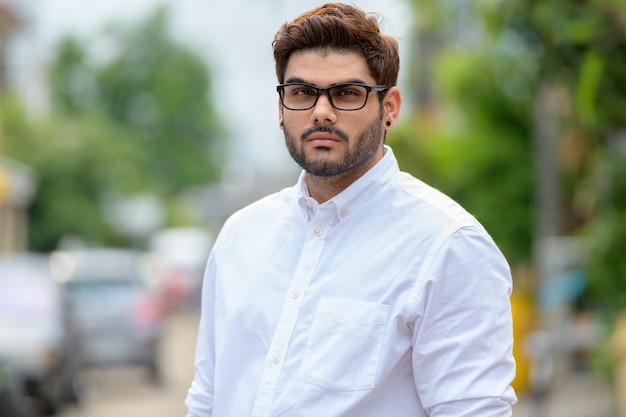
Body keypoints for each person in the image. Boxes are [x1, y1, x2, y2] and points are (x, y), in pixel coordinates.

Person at [185, 3, 517, 416]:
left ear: (390, 108)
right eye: (302, 93)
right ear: (281, 108)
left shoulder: (448, 246)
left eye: (346, 93)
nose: (321, 111)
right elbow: (208, 397)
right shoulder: (241, 236)